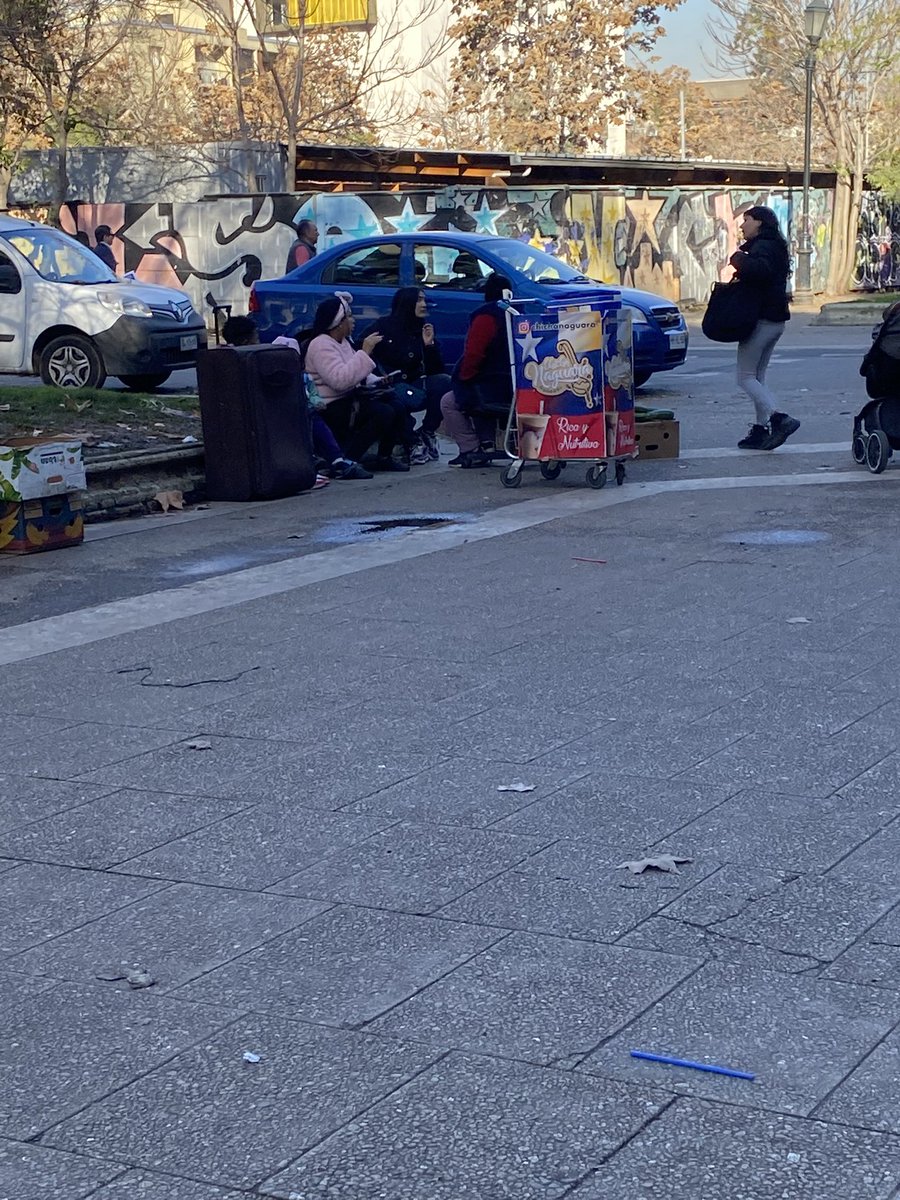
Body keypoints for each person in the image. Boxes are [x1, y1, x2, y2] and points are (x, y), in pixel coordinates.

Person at [219, 315, 333, 489]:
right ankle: (314, 462)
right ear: (246, 340)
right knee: (305, 414)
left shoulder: (223, 358)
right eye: (255, 337)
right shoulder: (250, 359)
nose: (259, 340)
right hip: (260, 417)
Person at [303, 292, 411, 472]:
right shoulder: (321, 345)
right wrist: (365, 352)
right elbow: (339, 380)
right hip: (331, 404)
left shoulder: (343, 342)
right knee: (382, 412)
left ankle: (384, 457)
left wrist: (378, 380)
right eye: (349, 317)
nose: (353, 321)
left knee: (397, 405)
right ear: (338, 322)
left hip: (351, 397)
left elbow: (355, 370)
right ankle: (349, 459)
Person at [731, 206, 800, 451]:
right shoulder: (775, 246)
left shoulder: (763, 248)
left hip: (761, 319)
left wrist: (738, 259)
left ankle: (778, 418)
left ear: (760, 223)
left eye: (746, 220)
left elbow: (758, 271)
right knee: (757, 377)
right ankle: (760, 430)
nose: (742, 226)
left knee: (745, 378)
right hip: (774, 320)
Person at [364, 287, 451, 463]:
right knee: (393, 399)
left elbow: (437, 370)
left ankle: (427, 432)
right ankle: (412, 442)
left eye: (424, 300)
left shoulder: (422, 328)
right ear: (407, 303)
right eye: (419, 300)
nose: (424, 305)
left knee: (444, 383)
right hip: (388, 385)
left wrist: (429, 345)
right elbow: (362, 349)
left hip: (414, 386)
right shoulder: (383, 326)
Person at [440, 272, 514, 468]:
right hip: (514, 384)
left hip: (492, 385)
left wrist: (464, 377)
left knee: (450, 401)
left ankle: (470, 449)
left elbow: (474, 353)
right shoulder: (517, 314)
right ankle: (486, 444)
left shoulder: (486, 317)